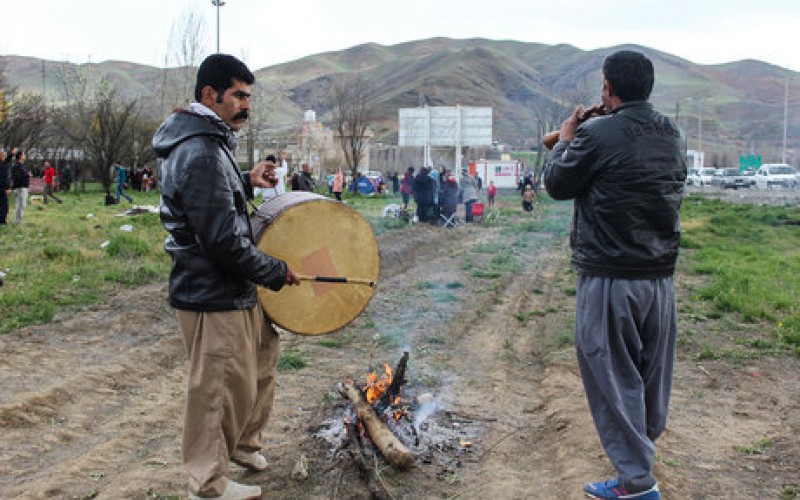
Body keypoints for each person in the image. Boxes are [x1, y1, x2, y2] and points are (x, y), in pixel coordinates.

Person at [152, 53, 300, 500]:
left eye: (248, 96)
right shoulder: (200, 150)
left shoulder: (207, 143)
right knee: (216, 388)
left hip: (227, 285)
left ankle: (243, 446)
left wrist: (245, 179)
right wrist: (276, 270)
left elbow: (209, 195)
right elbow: (220, 240)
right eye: (237, 95)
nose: (245, 105)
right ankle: (208, 483)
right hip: (211, 290)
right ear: (209, 95)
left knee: (262, 355)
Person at [542, 50, 685, 500]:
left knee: (610, 375)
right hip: (659, 276)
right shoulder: (673, 132)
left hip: (610, 275)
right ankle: (639, 457)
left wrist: (567, 138)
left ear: (608, 88)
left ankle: (638, 485)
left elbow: (557, 184)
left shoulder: (597, 133)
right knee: (647, 375)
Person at [10, 151, 30, 226]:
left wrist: (27, 174)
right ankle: (17, 222)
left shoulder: (23, 165)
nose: (25, 155)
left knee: (22, 205)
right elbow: (16, 177)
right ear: (20, 156)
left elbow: (24, 174)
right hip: (20, 188)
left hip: (24, 187)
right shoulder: (16, 166)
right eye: (24, 154)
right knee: (20, 205)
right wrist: (27, 175)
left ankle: (18, 221)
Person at [0, 150, 9, 224]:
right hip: (1, 188)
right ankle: (2, 221)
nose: (5, 157)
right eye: (4, 155)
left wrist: (12, 154)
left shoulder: (2, 163)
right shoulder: (2, 165)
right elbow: (3, 178)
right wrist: (7, 188)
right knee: (4, 205)